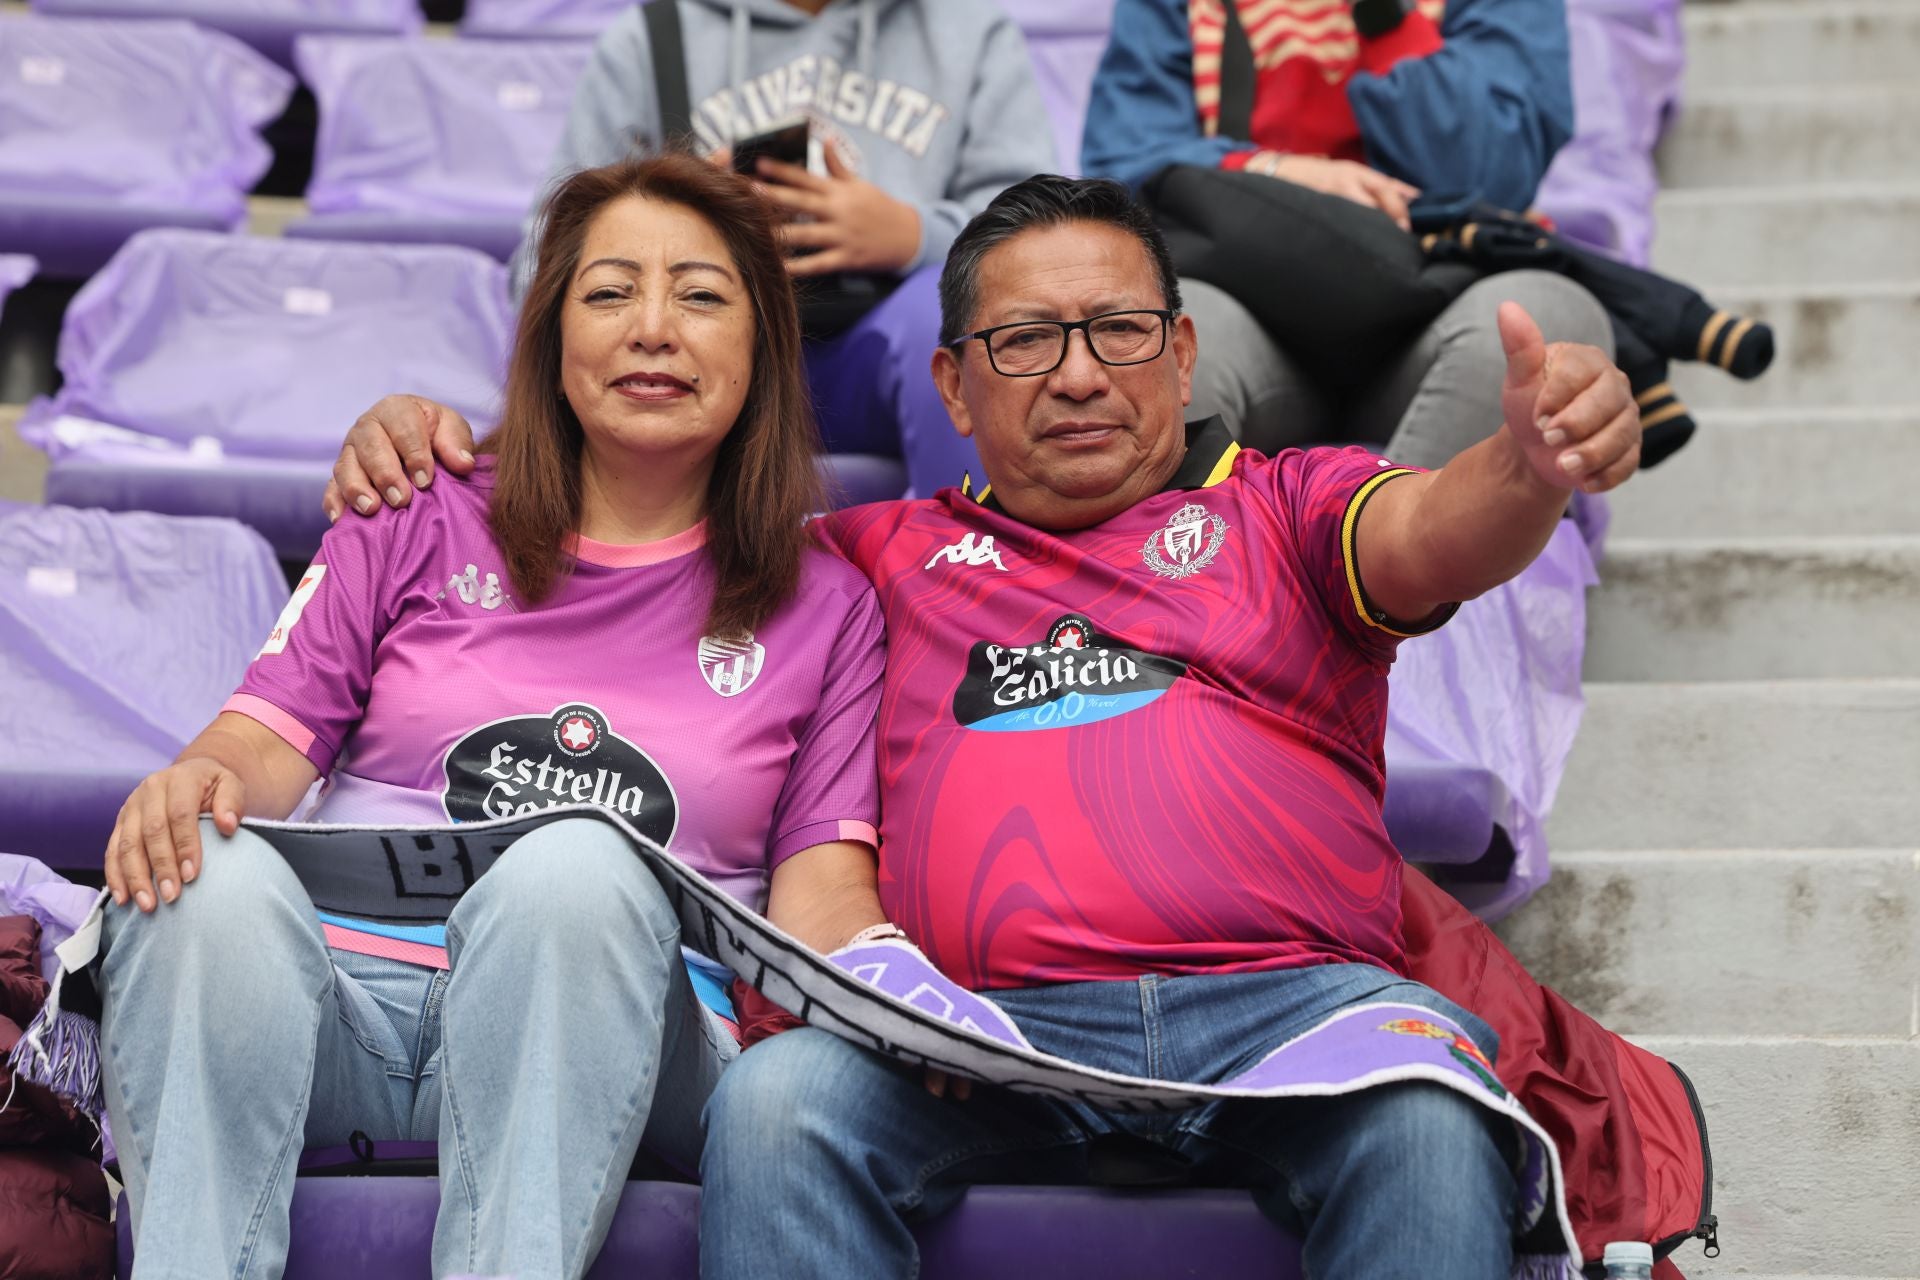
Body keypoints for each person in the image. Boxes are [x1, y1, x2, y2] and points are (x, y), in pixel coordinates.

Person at [326, 173, 1641, 1277]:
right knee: (782, 1106)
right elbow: (630, 536)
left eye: (1118, 332)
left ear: (1182, 359)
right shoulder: (865, 558)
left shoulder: (1284, 511)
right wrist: (439, 450)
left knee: (1425, 1119)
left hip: (1287, 1011)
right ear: (954, 387)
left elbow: (1434, 532)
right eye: (1025, 343)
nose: (1077, 376)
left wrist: (1525, 465)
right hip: (967, 1030)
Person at [96, 153, 893, 1280]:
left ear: (763, 345)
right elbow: (255, 747)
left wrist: (921, 1010)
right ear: (550, 340)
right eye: (610, 292)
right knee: (199, 871)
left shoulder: (828, 602)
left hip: (619, 1033)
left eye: (701, 296)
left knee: (573, 868)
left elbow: (821, 896)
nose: (653, 328)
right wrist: (197, 777)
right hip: (336, 1005)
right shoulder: (413, 507)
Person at [500, 0, 1056, 500]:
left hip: (877, 355)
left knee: (954, 326)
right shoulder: (651, 34)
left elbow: (1047, 247)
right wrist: (680, 214)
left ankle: (980, 579)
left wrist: (914, 234)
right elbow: (542, 266)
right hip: (708, 349)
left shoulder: (972, 28)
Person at [1078, 0, 1615, 470]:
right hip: (1251, 304)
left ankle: (1395, 570)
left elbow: (1493, 175)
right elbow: (1123, 172)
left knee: (1540, 322)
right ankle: (1183, 572)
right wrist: (1275, 171)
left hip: (1432, 302)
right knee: (1158, 340)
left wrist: (1383, 17)